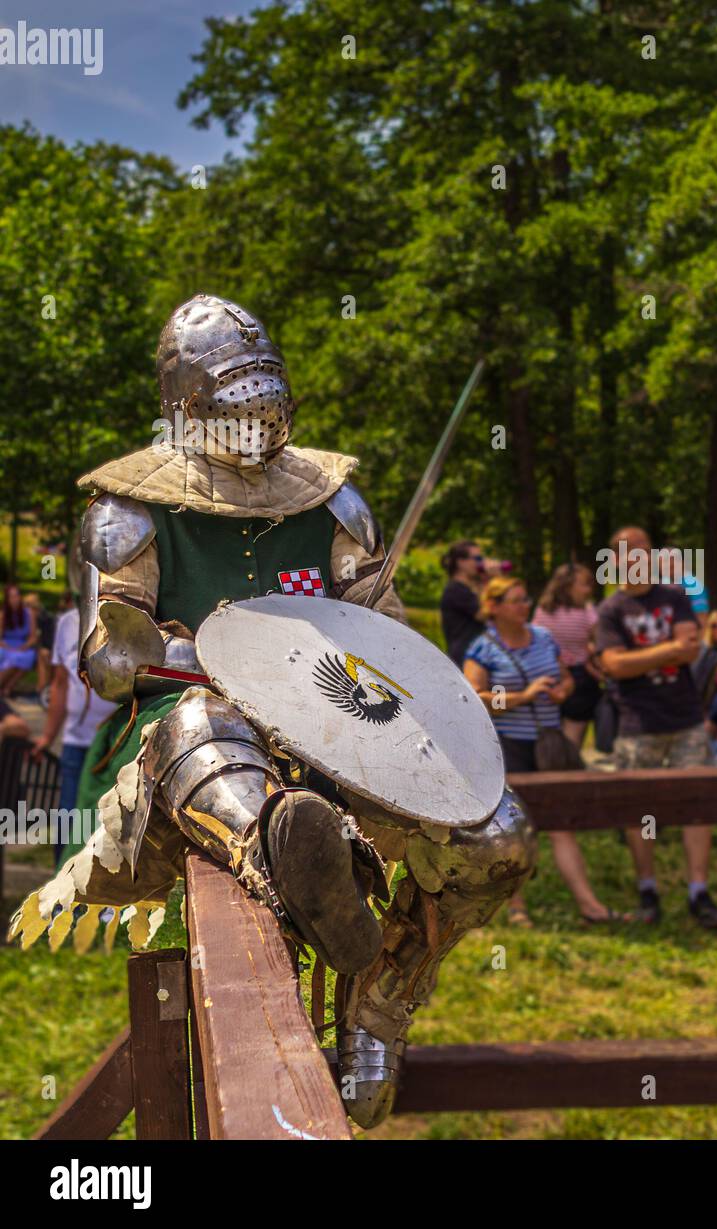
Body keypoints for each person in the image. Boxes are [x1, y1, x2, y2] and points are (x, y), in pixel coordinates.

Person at [9, 295, 534, 1129]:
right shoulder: (130, 512)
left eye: (264, 398)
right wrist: (224, 656)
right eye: (233, 400)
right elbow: (110, 664)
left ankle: (380, 995)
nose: (255, 421)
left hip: (334, 735)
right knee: (204, 726)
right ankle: (281, 854)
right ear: (187, 402)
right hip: (183, 740)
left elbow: (386, 636)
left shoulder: (333, 504)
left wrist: (336, 666)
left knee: (495, 828)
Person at [465, 577, 628, 925]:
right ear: (494, 607)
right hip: (508, 747)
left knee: (561, 826)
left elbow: (566, 678)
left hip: (547, 744)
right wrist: (523, 697)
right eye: (516, 600)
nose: (525, 606)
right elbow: (474, 699)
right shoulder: (483, 648)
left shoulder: (542, 638)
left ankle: (590, 906)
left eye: (526, 599)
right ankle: (516, 906)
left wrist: (562, 691)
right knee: (509, 830)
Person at [596, 525, 717, 929]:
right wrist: (667, 650)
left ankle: (698, 892)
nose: (643, 558)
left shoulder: (673, 597)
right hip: (637, 724)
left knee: (698, 804)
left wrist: (643, 658)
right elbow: (613, 665)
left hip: (686, 718)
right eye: (633, 552)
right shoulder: (612, 610)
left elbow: (691, 648)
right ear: (616, 560)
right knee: (640, 812)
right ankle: (648, 890)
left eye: (646, 551)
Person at [30, 602, 119, 864]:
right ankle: (61, 892)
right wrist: (47, 736)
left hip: (115, 744)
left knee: (104, 826)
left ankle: (99, 896)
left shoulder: (129, 618)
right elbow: (60, 684)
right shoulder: (68, 622)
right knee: (69, 824)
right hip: (76, 743)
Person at [532, 563, 601, 750]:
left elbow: (536, 641)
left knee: (550, 734)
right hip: (580, 677)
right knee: (574, 737)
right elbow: (599, 642)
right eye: (585, 584)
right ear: (569, 586)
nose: (589, 589)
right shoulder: (587, 612)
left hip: (548, 675)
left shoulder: (542, 611)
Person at [440, 539, 487, 666]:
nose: (480, 563)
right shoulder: (456, 590)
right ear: (461, 562)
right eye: (477, 558)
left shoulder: (466, 589)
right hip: (464, 658)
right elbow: (484, 614)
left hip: (473, 655)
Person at [0, 584, 38, 697]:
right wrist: (6, 646)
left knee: (27, 656)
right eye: (11, 596)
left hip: (22, 645)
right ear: (7, 599)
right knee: (8, 656)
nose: (14, 599)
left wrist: (26, 646)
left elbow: (33, 637)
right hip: (6, 645)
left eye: (16, 596)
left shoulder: (29, 613)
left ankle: (8, 688)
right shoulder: (3, 615)